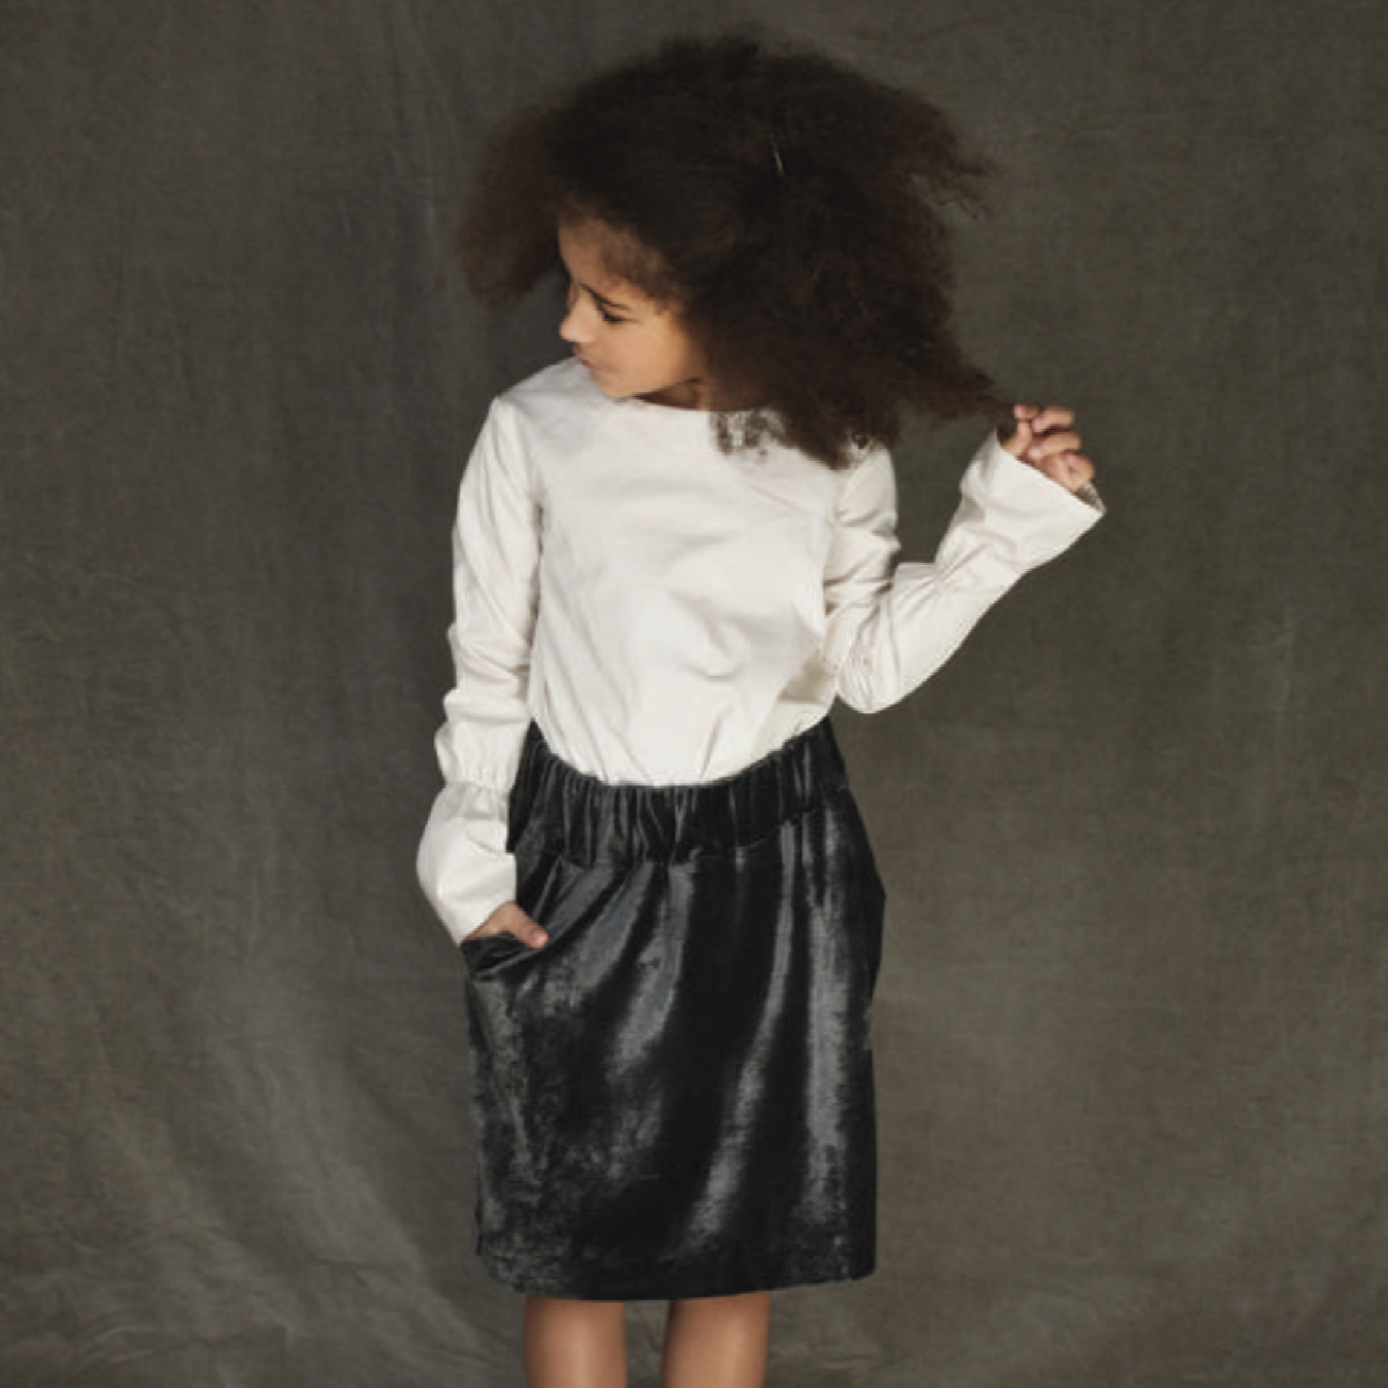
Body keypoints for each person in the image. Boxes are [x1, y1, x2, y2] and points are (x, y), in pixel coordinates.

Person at [418, 31, 1102, 1388]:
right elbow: (490, 665)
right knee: (572, 1241)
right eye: (570, 289)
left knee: (735, 1237)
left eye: (611, 306)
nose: (570, 327)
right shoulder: (535, 433)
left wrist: (1002, 531)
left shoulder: (831, 444)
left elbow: (869, 666)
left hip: (775, 875)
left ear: (738, 305)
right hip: (579, 865)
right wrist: (470, 864)